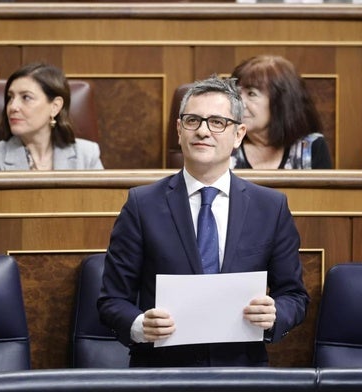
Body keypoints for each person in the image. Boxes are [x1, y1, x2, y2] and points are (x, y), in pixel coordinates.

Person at [98, 75, 309, 367]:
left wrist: (275, 315)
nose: (203, 131)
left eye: (217, 122)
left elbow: (294, 295)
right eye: (192, 121)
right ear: (179, 131)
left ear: (238, 134)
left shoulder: (270, 207)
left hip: (241, 372)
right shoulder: (141, 205)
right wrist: (138, 325)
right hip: (162, 371)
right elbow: (111, 301)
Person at [0, 62, 103, 171]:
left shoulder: (86, 155)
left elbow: (102, 203)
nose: (13, 107)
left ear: (55, 107)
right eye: (10, 97)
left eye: (26, 97)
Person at [229, 55, 332, 169]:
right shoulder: (226, 143)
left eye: (251, 94)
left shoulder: (311, 147)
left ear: (280, 102)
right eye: (236, 93)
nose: (239, 102)